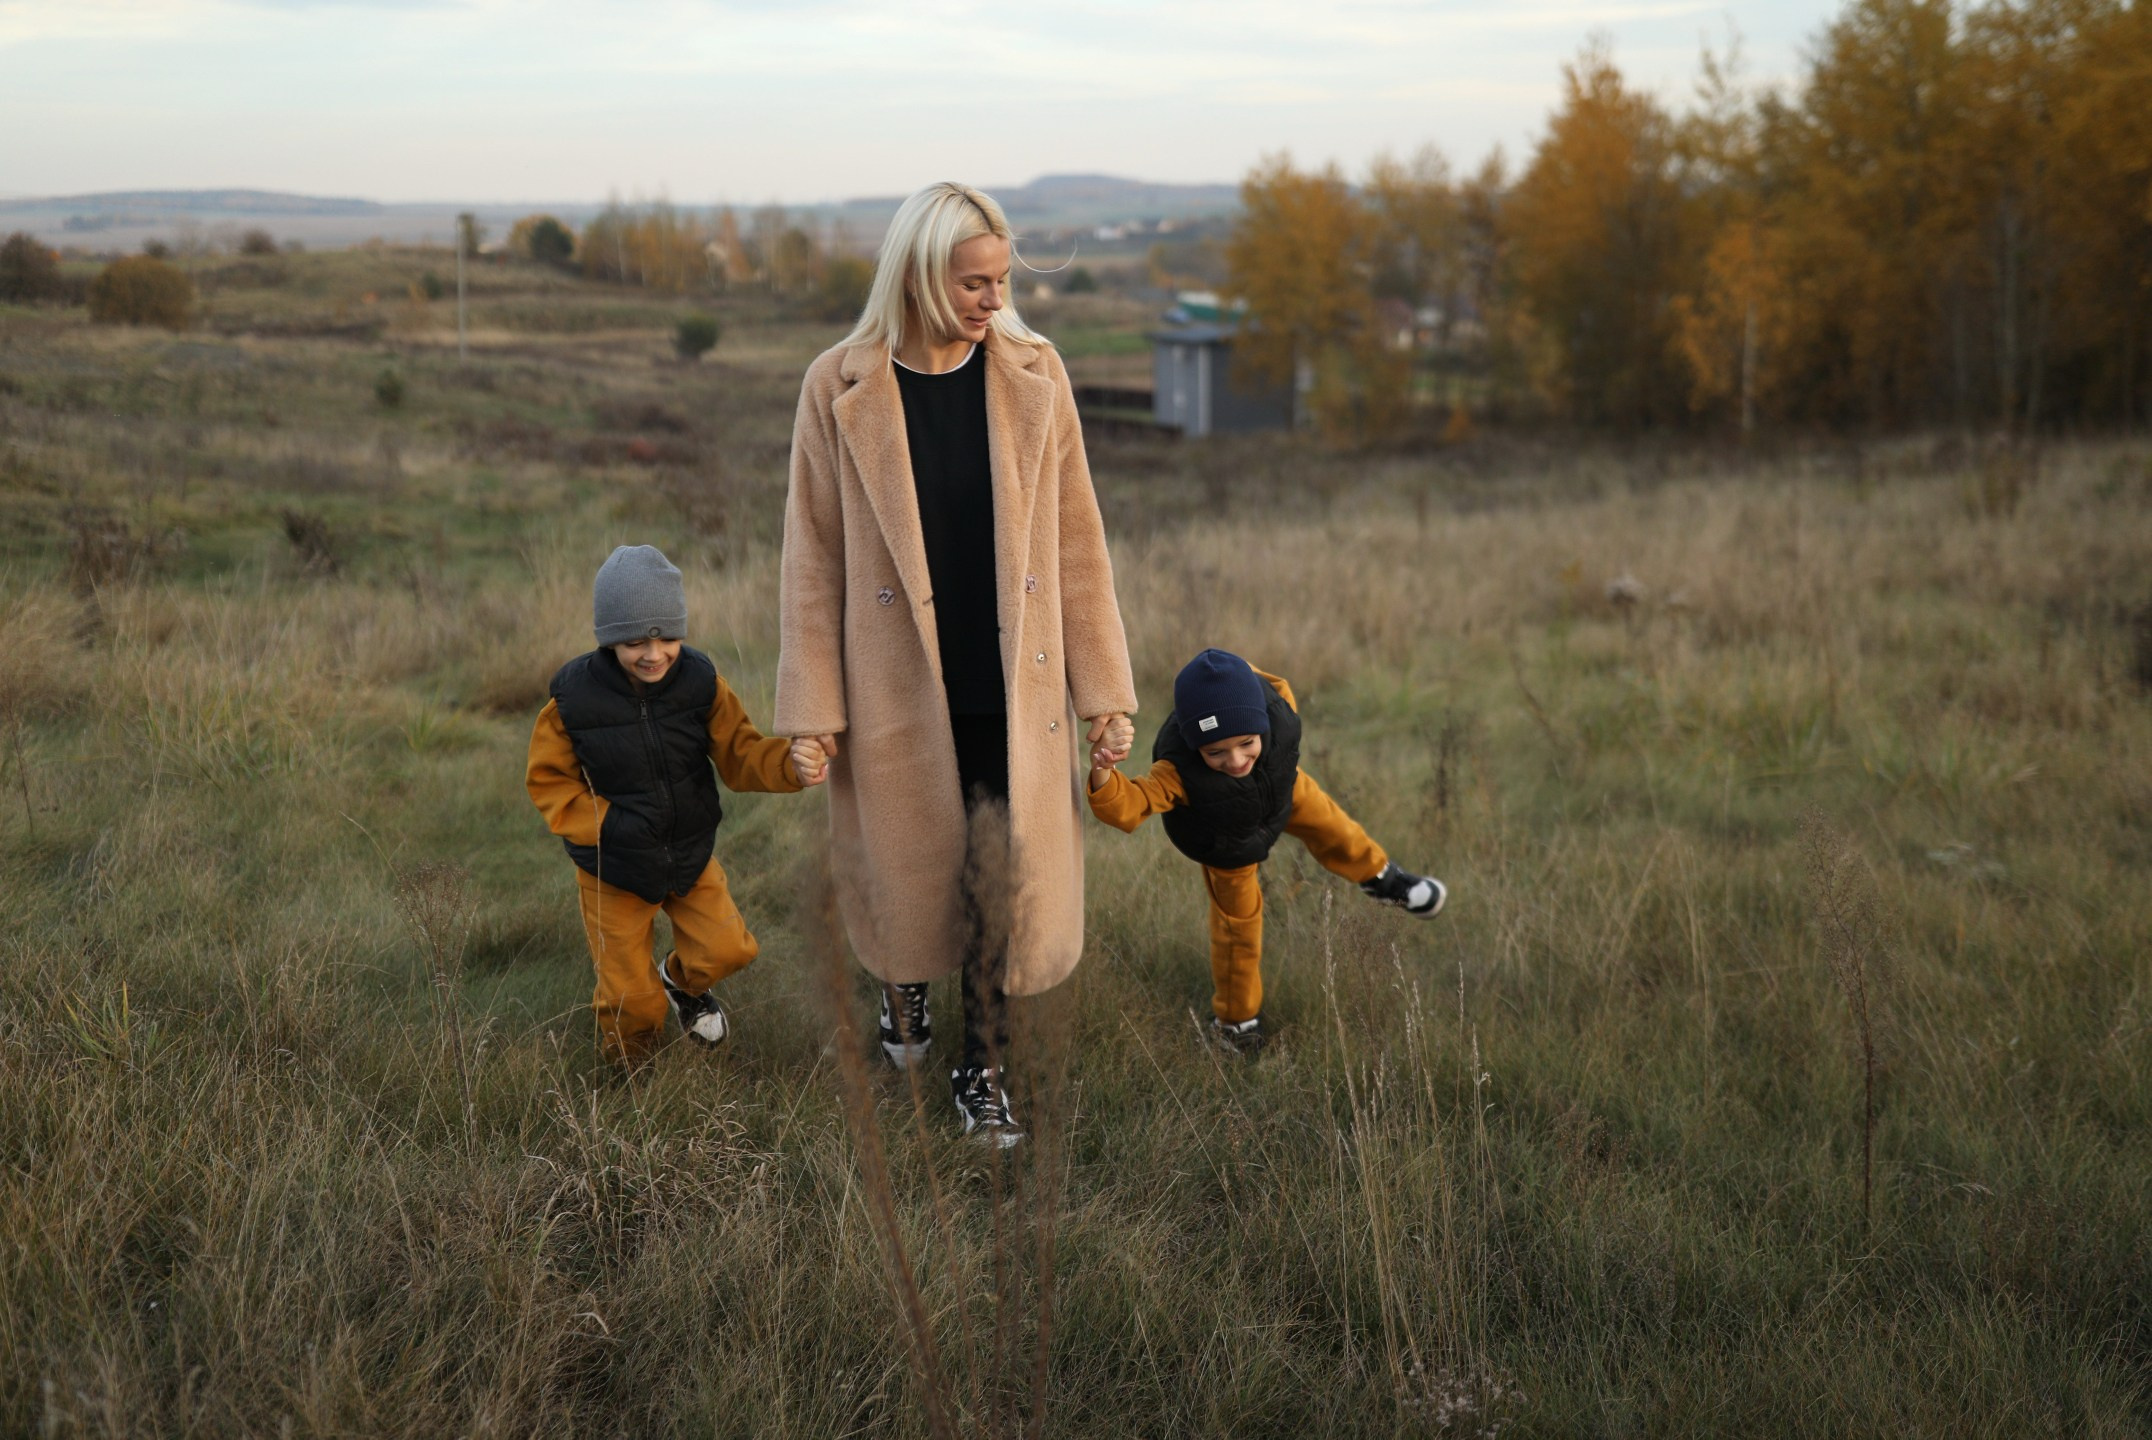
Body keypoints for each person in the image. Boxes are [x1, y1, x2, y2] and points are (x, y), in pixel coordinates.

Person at [776, 182, 1137, 1146]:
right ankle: (905, 989)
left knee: (995, 865)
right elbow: (812, 561)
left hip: (1014, 680)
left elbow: (1077, 541)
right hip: (892, 678)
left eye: (1001, 282)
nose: (992, 301)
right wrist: (812, 706)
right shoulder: (837, 385)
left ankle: (982, 1069)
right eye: (973, 284)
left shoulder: (1035, 373)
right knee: (907, 869)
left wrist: (1106, 692)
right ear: (920, 276)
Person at [527, 543, 826, 1066]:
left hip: (688, 855)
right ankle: (631, 1078)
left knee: (728, 951)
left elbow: (742, 754)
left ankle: (680, 984)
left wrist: (791, 766)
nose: (653, 653)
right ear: (608, 639)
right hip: (612, 868)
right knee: (630, 1001)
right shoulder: (573, 700)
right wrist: (609, 826)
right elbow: (550, 782)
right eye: (633, 641)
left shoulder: (701, 683)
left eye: (666, 636)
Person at [1087, 648, 1446, 1054]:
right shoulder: (1177, 771)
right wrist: (1104, 768)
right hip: (1228, 843)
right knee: (1238, 930)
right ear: (1194, 746)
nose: (1236, 759)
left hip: (1283, 794)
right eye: (1215, 752)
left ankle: (1384, 880)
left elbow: (1252, 677)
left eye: (1246, 743)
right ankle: (1237, 1024)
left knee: (1337, 829)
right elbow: (1126, 807)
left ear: (1262, 724)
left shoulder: (1280, 707)